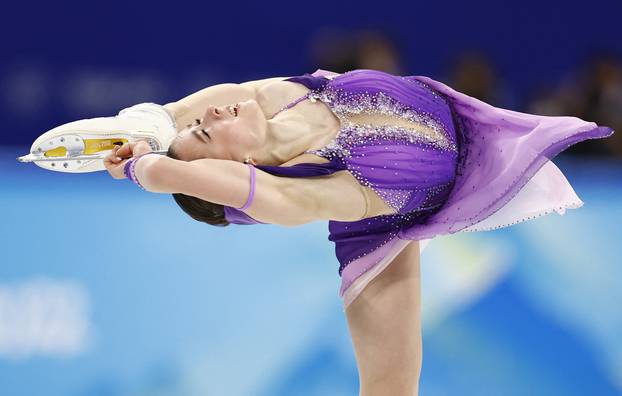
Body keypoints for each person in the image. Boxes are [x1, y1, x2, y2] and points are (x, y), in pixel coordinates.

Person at [69, 68, 616, 395]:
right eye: (205, 135)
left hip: (473, 139)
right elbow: (271, 198)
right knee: (390, 389)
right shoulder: (329, 191)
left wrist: (151, 125)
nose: (206, 117)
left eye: (199, 122)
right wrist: (146, 170)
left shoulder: (280, 96)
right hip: (387, 223)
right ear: (237, 171)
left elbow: (181, 111)